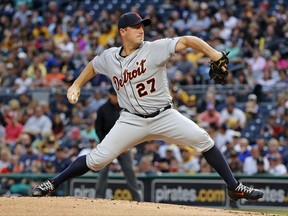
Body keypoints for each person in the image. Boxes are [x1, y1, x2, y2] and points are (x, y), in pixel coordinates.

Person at [32, 12, 264, 201]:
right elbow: (93, 65)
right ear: (123, 32)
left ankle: (234, 187)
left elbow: (187, 40)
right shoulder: (110, 56)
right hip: (131, 119)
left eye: (142, 25)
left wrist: (214, 55)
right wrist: (76, 84)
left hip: (164, 115)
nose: (141, 29)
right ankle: (53, 183)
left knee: (204, 140)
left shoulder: (154, 48)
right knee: (97, 160)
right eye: (135, 26)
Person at [94, 87, 142, 201]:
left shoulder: (125, 107)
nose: (117, 97)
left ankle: (137, 198)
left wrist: (128, 144)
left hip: (124, 146)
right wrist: (104, 143)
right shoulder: (102, 109)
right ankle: (99, 198)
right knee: (103, 171)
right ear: (110, 95)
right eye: (115, 95)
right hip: (107, 146)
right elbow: (98, 129)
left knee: (129, 172)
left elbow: (131, 127)